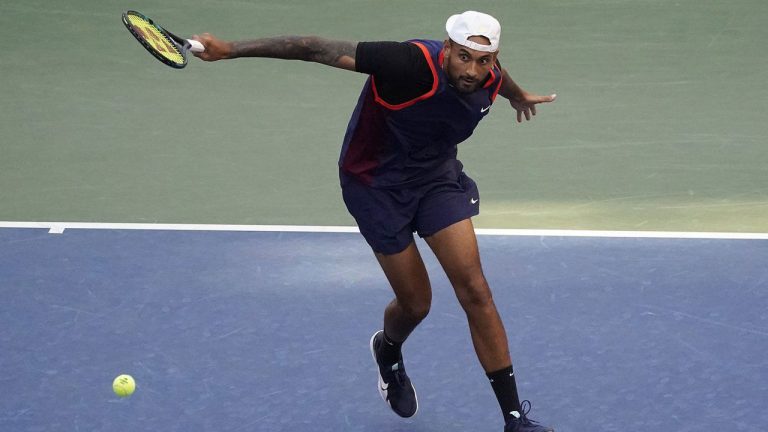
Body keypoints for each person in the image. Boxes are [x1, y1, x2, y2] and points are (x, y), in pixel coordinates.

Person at [192, 10, 556, 432]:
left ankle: (514, 420)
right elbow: (314, 48)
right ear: (447, 49)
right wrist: (229, 50)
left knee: (475, 289)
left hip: (434, 179)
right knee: (417, 304)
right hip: (376, 187)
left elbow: (497, 74)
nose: (473, 71)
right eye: (463, 57)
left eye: (484, 60)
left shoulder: (488, 74)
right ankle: (388, 350)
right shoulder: (406, 64)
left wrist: (516, 93)